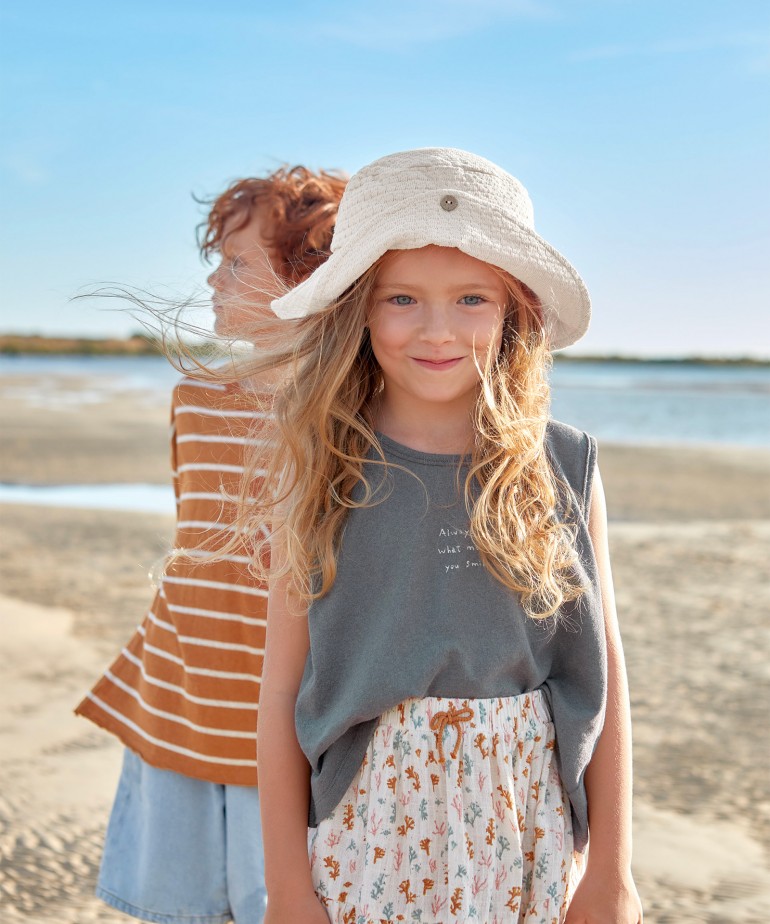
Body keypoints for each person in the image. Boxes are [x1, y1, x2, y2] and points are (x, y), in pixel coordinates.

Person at [247, 148, 644, 923]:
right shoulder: (321, 468)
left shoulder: (563, 465)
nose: (437, 330)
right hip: (367, 838)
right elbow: (279, 697)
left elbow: (608, 674)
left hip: (529, 831)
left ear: (514, 307)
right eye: (402, 298)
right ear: (359, 306)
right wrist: (289, 890)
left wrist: (613, 875)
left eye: (471, 298)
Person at [75, 165, 347, 924]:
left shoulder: (356, 419)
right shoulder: (195, 401)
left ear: (310, 280)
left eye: (235, 264)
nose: (213, 283)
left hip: (295, 730)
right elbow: (198, 555)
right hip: (184, 696)